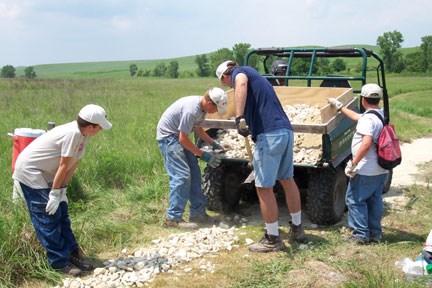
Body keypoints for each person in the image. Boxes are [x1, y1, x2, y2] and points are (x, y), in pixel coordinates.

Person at [216, 60, 307, 253]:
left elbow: (240, 83)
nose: (228, 85)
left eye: (225, 82)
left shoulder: (240, 73)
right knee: (287, 180)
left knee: (263, 187)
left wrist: (239, 118)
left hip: (270, 134)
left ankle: (272, 238)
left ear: (225, 74)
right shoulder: (257, 77)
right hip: (285, 132)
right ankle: (297, 228)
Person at [12, 104, 112, 276]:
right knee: (47, 218)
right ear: (91, 126)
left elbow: (72, 165)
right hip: (31, 171)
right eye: (100, 126)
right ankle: (59, 262)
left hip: (48, 173)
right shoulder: (72, 133)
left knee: (62, 213)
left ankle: (72, 255)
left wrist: (62, 190)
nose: (101, 130)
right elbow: (63, 165)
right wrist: (53, 193)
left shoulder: (83, 134)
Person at [157, 87, 227, 230]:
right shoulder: (191, 110)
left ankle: (198, 214)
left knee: (195, 174)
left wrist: (212, 143)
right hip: (169, 138)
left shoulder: (202, 110)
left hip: (179, 137)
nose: (215, 112)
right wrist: (203, 155)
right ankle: (173, 219)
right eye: (216, 108)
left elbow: (198, 129)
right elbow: (183, 139)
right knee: (181, 177)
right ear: (209, 102)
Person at [328, 83, 388, 244]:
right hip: (380, 168)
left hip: (366, 168)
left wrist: (353, 163)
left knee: (355, 200)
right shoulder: (380, 114)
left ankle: (360, 234)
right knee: (374, 199)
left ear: (363, 99)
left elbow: (366, 143)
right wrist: (340, 107)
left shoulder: (368, 120)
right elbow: (356, 117)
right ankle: (375, 234)